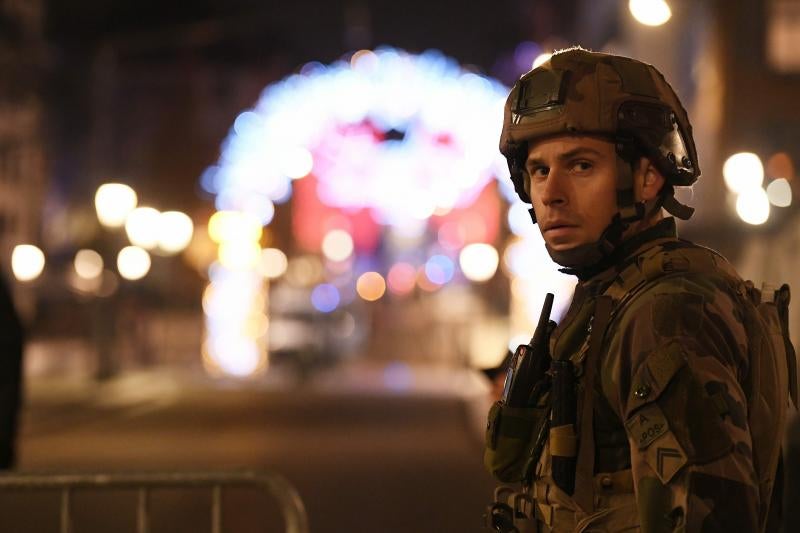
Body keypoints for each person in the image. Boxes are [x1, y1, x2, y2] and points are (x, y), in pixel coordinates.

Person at [484, 47, 794, 532]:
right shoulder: (609, 296)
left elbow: (708, 515)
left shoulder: (666, 312)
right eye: (539, 170)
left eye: (581, 165)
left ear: (648, 177)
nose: (551, 192)